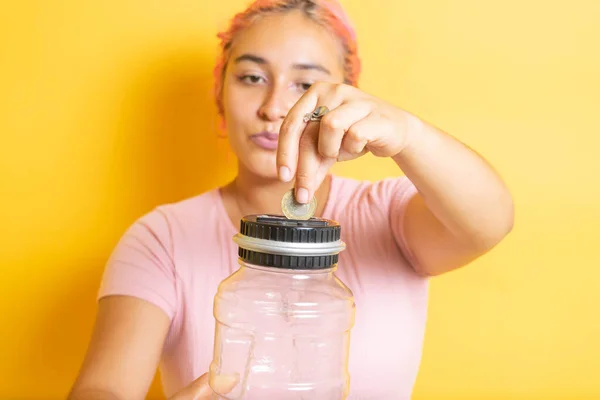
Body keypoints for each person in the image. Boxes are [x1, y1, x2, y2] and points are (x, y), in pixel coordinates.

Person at [68, 0, 514, 399]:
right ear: (220, 95)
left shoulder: (390, 214)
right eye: (251, 77)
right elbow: (103, 388)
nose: (273, 106)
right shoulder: (162, 237)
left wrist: (408, 134)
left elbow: (491, 222)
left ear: (347, 98)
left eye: (305, 86)